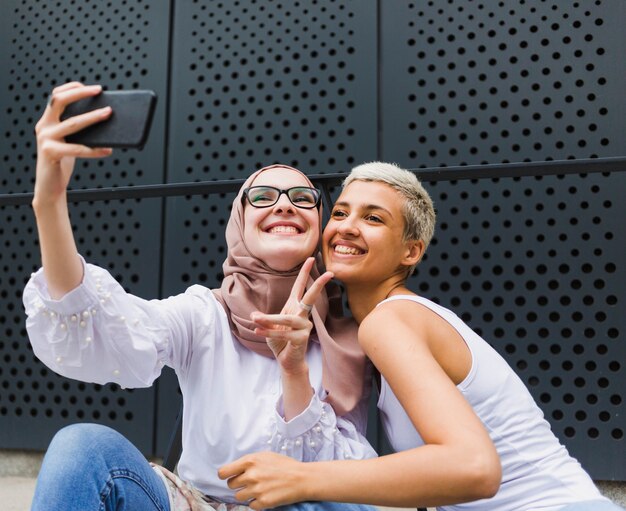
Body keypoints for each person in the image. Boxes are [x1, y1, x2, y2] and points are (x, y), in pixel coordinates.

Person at [23, 82, 378, 511]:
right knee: (80, 446)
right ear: (239, 225)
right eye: (263, 197)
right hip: (197, 504)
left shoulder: (349, 337)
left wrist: (295, 369)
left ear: (318, 224)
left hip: (303, 505)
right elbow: (102, 328)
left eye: (302, 198)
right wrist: (50, 201)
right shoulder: (204, 314)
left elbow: (349, 480)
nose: (284, 205)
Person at [219, 161, 625, 511]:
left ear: (411, 252)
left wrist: (300, 478)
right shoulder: (386, 323)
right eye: (340, 213)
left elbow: (474, 467)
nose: (347, 228)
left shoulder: (390, 321)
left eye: (374, 219)